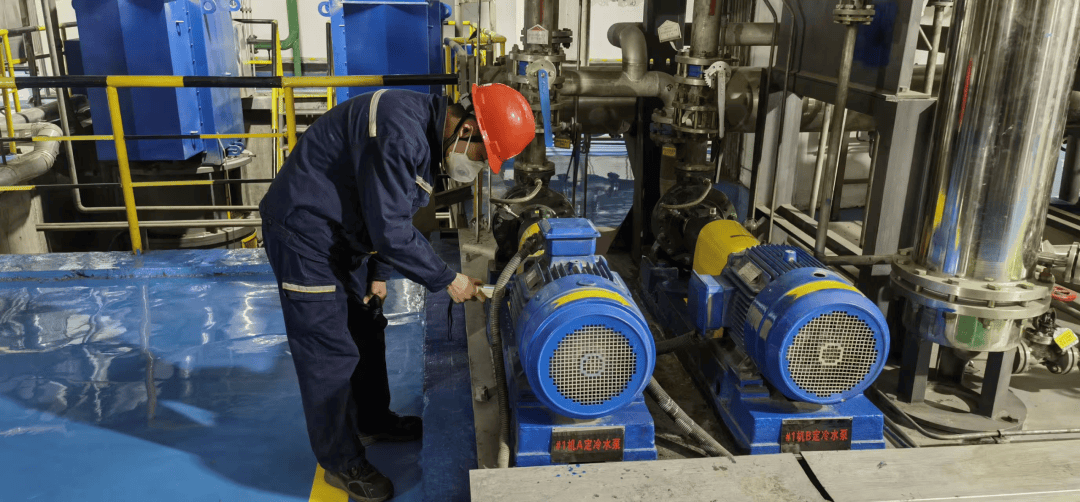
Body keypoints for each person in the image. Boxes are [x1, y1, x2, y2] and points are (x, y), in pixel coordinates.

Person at [259, 83, 534, 502]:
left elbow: (390, 211)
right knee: (328, 352)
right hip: (305, 237)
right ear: (467, 129)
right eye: (482, 156)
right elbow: (390, 230)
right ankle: (340, 461)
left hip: (343, 236)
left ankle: (372, 420)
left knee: (367, 324)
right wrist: (450, 279)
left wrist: (379, 272)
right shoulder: (399, 133)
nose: (478, 167)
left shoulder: (423, 135)